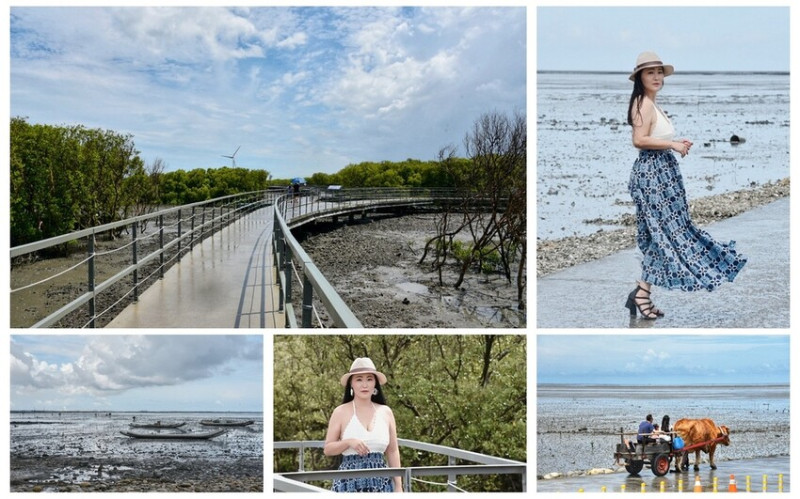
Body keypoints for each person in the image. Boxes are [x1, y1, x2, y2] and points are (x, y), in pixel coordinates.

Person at [625, 51, 747, 319]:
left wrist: (676, 143)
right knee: (662, 233)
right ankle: (641, 293)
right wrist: (672, 144)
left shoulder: (652, 104)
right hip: (653, 175)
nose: (656, 77)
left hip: (663, 172)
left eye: (659, 72)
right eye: (650, 72)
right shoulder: (643, 103)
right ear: (640, 77)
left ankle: (641, 292)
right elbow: (639, 140)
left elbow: (651, 137)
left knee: (667, 232)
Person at [324, 358, 403, 492]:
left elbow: (392, 451)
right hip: (348, 483)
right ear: (351, 384)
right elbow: (328, 449)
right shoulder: (340, 412)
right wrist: (349, 442)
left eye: (369, 379)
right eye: (359, 379)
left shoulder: (386, 412)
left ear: (375, 384)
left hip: (381, 483)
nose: (364, 385)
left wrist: (398, 485)